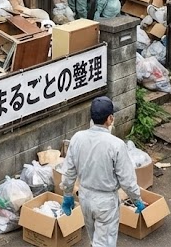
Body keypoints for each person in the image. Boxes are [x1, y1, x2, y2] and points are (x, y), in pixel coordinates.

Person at [61, 96, 145, 247]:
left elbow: (68, 173)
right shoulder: (116, 145)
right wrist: (137, 199)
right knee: (104, 243)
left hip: (85, 197)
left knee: (95, 239)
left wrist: (67, 195)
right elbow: (127, 180)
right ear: (110, 118)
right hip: (106, 202)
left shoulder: (77, 138)